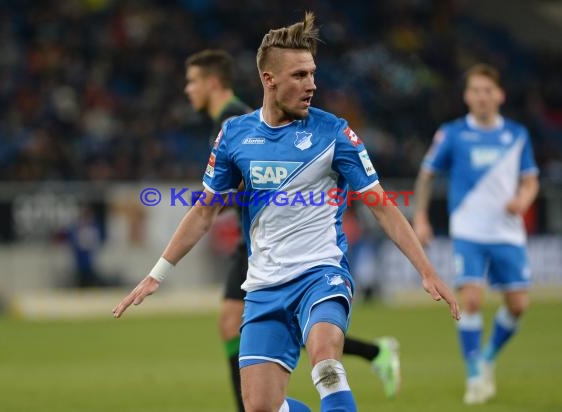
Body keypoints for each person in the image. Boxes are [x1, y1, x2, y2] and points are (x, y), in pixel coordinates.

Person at [114, 12, 459, 412]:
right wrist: (158, 274)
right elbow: (204, 213)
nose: (311, 84)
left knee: (327, 361)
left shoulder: (335, 133)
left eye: (312, 73)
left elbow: (381, 206)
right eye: (299, 75)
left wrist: (427, 270)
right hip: (263, 286)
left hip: (321, 274)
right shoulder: (235, 134)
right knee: (260, 407)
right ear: (269, 79)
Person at [185, 49, 403, 410]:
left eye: (192, 81)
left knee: (291, 328)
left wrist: (214, 202)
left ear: (212, 83)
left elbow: (266, 178)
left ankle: (369, 354)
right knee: (242, 324)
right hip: (259, 240)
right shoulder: (228, 123)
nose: (187, 90)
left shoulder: (239, 119)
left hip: (272, 241)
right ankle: (370, 353)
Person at [412, 63, 539, 405]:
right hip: (468, 231)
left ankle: (487, 358)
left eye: (488, 90)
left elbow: (530, 179)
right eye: (475, 91)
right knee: (469, 300)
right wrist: (421, 217)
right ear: (467, 96)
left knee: (518, 305)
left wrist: (523, 199)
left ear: (499, 95)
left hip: (508, 233)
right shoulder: (452, 133)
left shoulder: (516, 134)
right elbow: (426, 175)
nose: (482, 97)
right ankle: (473, 375)